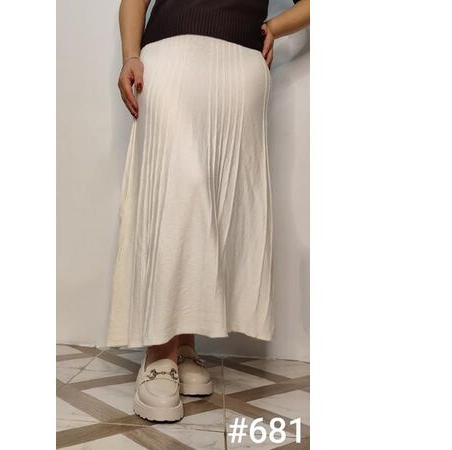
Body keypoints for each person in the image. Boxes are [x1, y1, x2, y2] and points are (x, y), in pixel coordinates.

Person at [107, 0, 310, 422]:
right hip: (170, 60)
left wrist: (274, 26)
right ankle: (158, 351)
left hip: (239, 67)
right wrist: (130, 54)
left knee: (211, 206)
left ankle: (184, 346)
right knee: (177, 197)